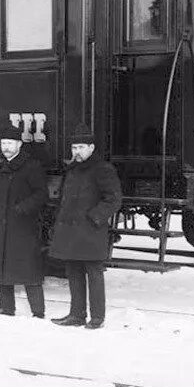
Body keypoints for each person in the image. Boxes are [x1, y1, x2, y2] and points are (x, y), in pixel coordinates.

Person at [48, 122, 122, 330]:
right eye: (74, 148)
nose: (76, 152)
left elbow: (114, 199)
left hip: (90, 231)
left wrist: (94, 218)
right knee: (73, 273)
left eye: (81, 148)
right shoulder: (72, 170)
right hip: (71, 231)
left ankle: (97, 318)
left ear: (91, 148)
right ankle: (76, 315)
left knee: (94, 275)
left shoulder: (103, 169)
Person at [0, 124, 48, 318]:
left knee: (29, 269)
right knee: (1, 265)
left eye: (10, 143)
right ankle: (6, 307)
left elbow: (41, 194)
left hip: (22, 227)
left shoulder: (31, 166)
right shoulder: (1, 167)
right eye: (3, 143)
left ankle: (38, 312)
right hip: (1, 225)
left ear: (19, 144)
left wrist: (22, 209)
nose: (6, 147)